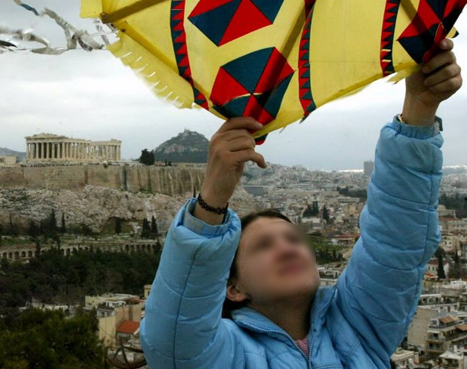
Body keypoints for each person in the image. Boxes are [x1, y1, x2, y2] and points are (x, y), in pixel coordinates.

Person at [140, 38, 463, 369]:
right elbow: (176, 340)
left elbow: (395, 244)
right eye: (263, 246)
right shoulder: (228, 354)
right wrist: (212, 201)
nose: (288, 249)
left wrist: (419, 110)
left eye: (294, 239)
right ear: (234, 289)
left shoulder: (358, 328)